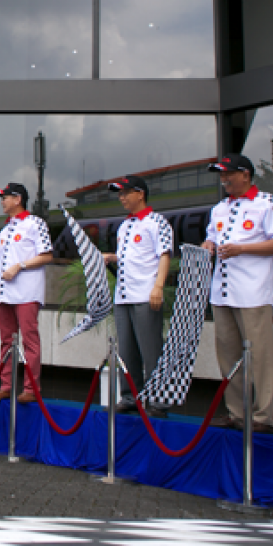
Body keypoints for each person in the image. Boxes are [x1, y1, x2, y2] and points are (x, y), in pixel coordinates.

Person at [202, 152, 273, 434]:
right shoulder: (219, 209)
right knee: (228, 355)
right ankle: (237, 412)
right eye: (221, 175)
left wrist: (242, 248)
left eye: (228, 174)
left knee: (260, 356)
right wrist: (208, 246)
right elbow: (211, 237)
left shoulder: (267, 203)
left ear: (245, 175)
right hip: (222, 292)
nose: (224, 180)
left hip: (253, 292)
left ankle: (263, 416)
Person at [0, 182, 52, 403]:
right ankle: (6, 384)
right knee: (6, 340)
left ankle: (31, 388)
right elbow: (0, 260)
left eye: (5, 197)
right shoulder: (5, 230)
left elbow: (46, 255)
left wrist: (20, 266)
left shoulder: (35, 224)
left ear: (18, 199)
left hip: (27, 292)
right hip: (5, 292)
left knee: (29, 340)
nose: (2, 201)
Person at [101, 175, 172, 416]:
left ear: (140, 193)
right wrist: (112, 257)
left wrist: (158, 287)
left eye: (125, 193)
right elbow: (131, 258)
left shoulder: (157, 222)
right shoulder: (125, 225)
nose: (121, 198)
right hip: (123, 294)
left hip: (146, 294)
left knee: (151, 348)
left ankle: (158, 400)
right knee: (127, 350)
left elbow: (164, 255)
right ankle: (130, 396)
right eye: (119, 194)